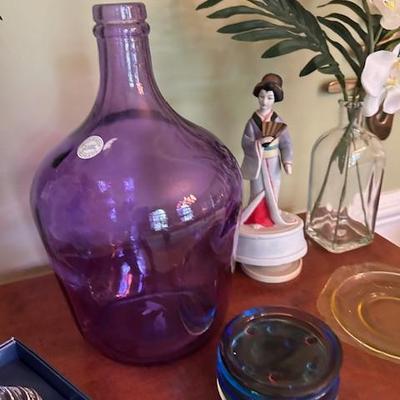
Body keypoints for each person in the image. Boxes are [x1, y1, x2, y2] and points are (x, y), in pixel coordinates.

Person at [241, 73, 293, 228]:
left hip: (274, 160)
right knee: (258, 190)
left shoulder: (277, 120)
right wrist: (258, 143)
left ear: (275, 99)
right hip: (258, 160)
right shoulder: (253, 122)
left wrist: (287, 161)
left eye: (269, 98)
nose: (265, 101)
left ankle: (272, 216)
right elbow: (245, 141)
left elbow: (286, 143)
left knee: (274, 188)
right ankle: (257, 219)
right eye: (262, 97)